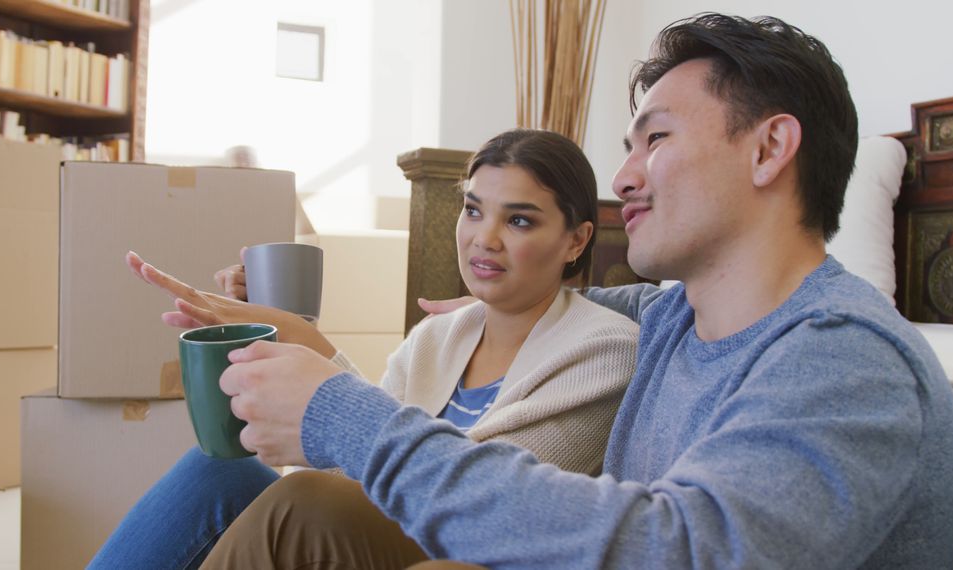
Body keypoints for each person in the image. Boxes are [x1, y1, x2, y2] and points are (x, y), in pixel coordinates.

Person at [194, 13, 953, 569]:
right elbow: (610, 305)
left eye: (656, 138)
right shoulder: (677, 316)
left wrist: (341, 414)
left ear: (769, 148)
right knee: (301, 507)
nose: (624, 178)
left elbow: (683, 549)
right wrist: (507, 298)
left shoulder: (846, 358)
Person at [88, 129, 641, 568]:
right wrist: (290, 340)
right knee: (221, 470)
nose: (484, 238)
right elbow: (355, 468)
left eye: (518, 220)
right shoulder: (439, 336)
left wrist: (312, 348)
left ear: (577, 239)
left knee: (296, 504)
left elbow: (478, 498)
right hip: (397, 528)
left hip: (471, 544)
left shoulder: (604, 350)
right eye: (473, 210)